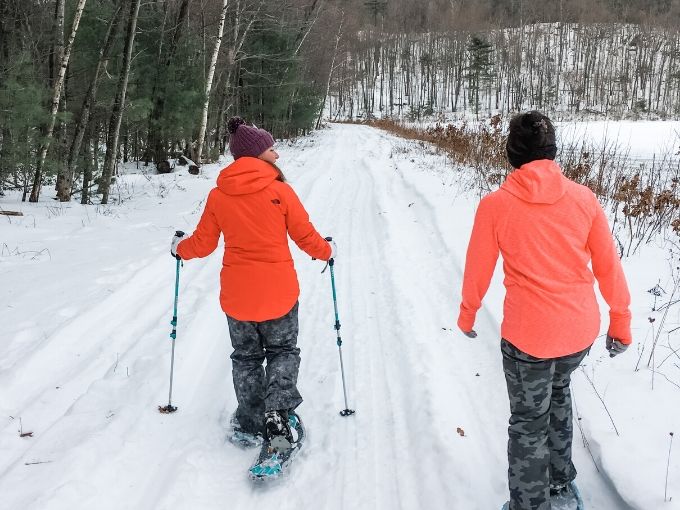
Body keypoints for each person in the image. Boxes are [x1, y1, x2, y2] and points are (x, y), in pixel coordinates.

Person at [456, 111, 632, 510]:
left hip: (529, 339)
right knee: (559, 392)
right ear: (553, 152)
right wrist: (620, 319)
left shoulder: (496, 205)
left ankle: (530, 503)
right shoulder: (584, 199)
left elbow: (477, 268)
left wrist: (468, 314)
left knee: (528, 420)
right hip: (578, 332)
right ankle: (559, 485)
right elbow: (608, 266)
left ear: (512, 155)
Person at [170, 116, 335, 450]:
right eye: (272, 149)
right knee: (282, 351)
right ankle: (277, 415)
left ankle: (250, 418)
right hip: (279, 294)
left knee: (246, 357)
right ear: (258, 154)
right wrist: (328, 251)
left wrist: (178, 248)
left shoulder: (219, 195)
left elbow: (201, 244)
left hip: (238, 297)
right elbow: (306, 237)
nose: (278, 155)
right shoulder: (280, 191)